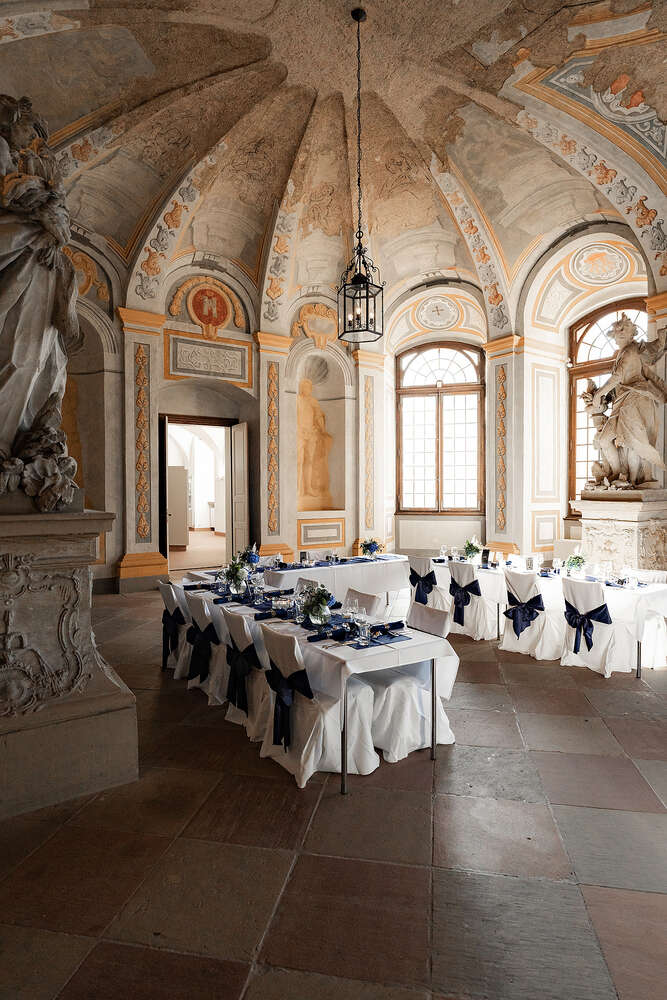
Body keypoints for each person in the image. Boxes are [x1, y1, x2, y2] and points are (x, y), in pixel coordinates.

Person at [0, 94, 80, 509]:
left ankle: (27, 441)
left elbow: (55, 205)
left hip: (43, 257)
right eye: (27, 127)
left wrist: (56, 226)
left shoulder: (34, 165)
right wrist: (43, 214)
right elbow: (18, 196)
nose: (31, 137)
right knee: (17, 354)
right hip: (21, 250)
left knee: (44, 361)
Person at [582, 313, 667, 489]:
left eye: (625, 329)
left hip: (633, 399)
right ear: (613, 335)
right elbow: (617, 383)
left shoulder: (631, 350)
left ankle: (631, 480)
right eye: (617, 330)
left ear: (632, 333)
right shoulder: (621, 353)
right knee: (604, 439)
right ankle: (618, 474)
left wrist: (599, 395)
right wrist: (602, 395)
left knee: (632, 441)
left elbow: (618, 376)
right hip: (620, 402)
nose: (620, 332)